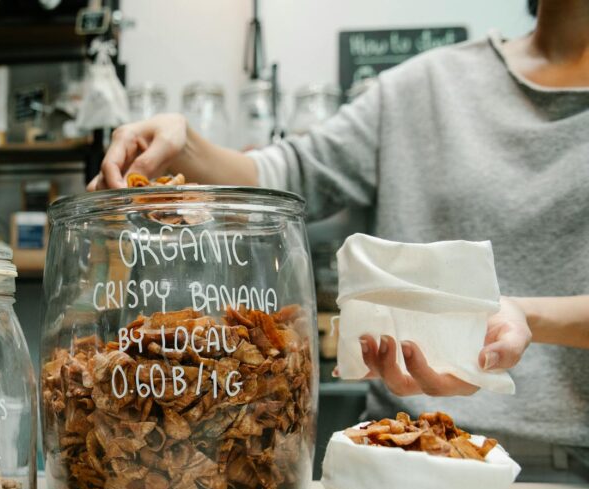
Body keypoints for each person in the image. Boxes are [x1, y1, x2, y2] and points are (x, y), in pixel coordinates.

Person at [88, 0, 589, 458]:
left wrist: (526, 314)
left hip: (570, 471)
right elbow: (289, 173)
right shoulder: (427, 85)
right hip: (399, 447)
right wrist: (184, 144)